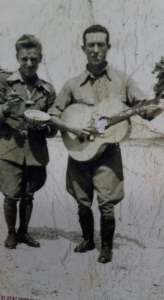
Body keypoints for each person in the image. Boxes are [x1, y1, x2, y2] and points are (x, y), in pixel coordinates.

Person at [49, 24, 149, 263]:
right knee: (82, 200)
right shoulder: (72, 84)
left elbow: (144, 106)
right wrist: (71, 128)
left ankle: (106, 247)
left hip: (107, 152)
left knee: (106, 202)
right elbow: (53, 113)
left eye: (100, 44)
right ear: (83, 48)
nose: (96, 49)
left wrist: (151, 109)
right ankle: (87, 240)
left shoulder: (123, 80)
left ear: (108, 47)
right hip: (80, 149)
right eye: (91, 45)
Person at [0, 34, 57, 249]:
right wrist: (6, 108)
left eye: (33, 59)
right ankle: (11, 233)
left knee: (29, 194)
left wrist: (45, 127)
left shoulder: (47, 90)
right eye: (24, 59)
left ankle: (24, 232)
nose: (29, 63)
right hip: (9, 148)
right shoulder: (3, 81)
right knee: (11, 195)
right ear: (17, 58)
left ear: (40, 58)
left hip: (35, 150)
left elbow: (53, 127)